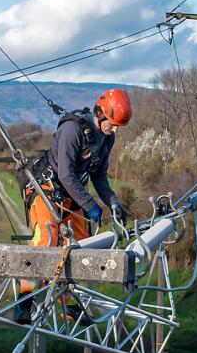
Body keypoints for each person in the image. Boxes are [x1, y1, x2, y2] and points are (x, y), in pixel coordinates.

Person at [23, 89, 132, 246]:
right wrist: (90, 204)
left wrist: (114, 203)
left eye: (118, 126)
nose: (114, 130)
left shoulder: (107, 138)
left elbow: (99, 175)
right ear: (101, 114)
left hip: (72, 195)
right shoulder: (72, 130)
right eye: (113, 124)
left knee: (82, 245)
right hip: (47, 191)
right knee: (47, 241)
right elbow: (65, 174)